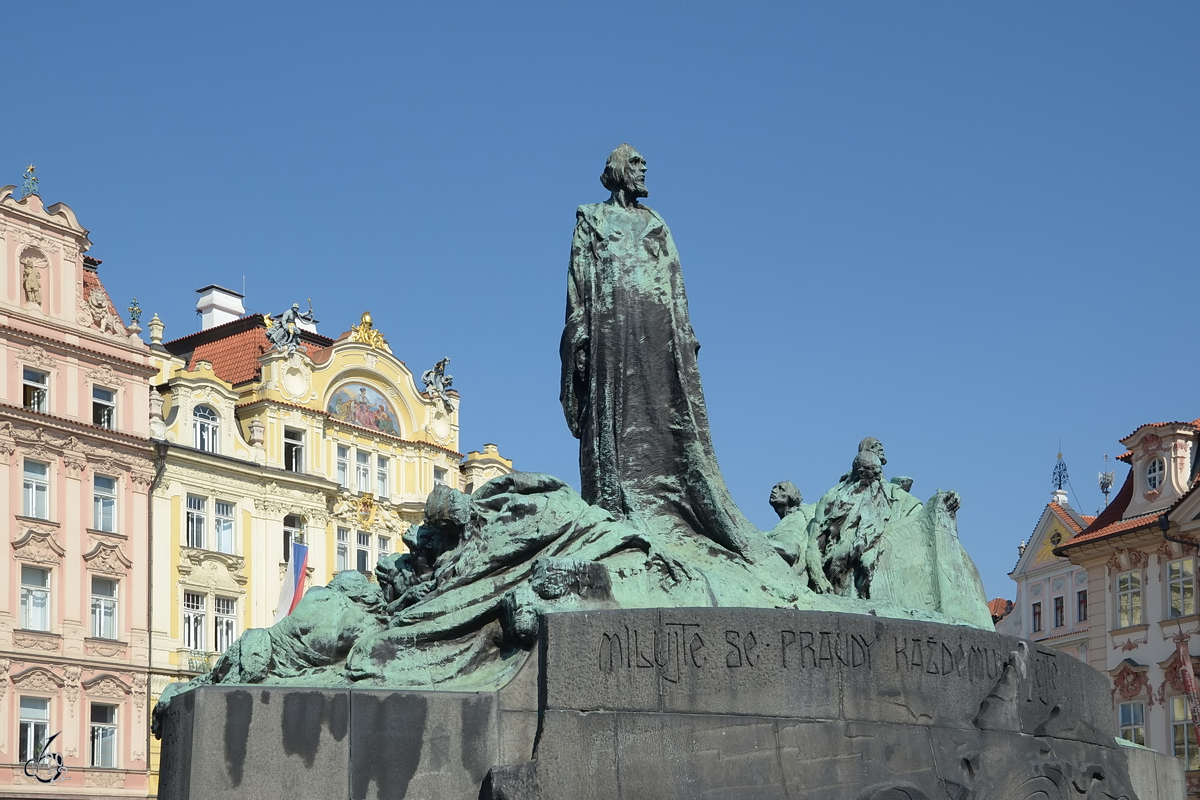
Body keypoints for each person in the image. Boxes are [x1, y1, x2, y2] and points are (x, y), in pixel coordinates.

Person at [559, 144, 781, 570]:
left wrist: (684, 334)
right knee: (613, 415)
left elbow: (674, 281)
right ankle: (617, 501)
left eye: (645, 164)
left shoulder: (656, 223)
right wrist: (582, 334)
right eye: (637, 163)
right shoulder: (591, 218)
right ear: (619, 170)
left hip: (657, 328)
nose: (644, 169)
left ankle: (672, 503)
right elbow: (577, 282)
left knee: (666, 409)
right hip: (610, 327)